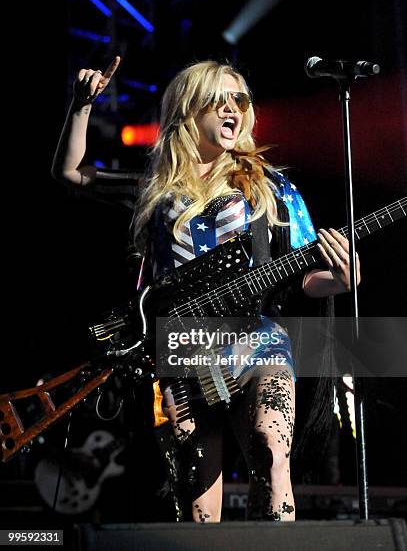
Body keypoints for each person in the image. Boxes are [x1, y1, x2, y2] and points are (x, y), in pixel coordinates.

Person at [52, 56, 361, 522]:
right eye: (218, 102)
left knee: (272, 456)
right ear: (188, 112)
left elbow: (302, 280)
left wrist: (341, 278)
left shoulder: (274, 190)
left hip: (257, 341)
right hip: (181, 350)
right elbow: (70, 173)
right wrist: (81, 107)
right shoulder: (156, 189)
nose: (232, 109)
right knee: (198, 499)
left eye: (239, 100)